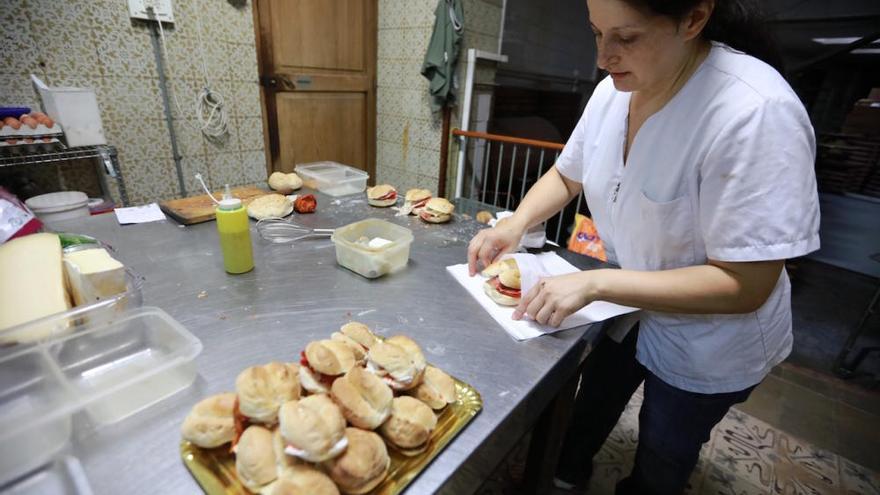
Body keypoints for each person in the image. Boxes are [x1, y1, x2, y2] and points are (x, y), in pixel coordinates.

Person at [466, 0, 820, 493]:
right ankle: (565, 470)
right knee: (595, 395)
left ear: (693, 18)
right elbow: (568, 174)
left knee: (664, 445)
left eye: (626, 38)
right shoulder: (613, 93)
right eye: (596, 34)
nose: (603, 57)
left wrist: (595, 281)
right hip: (624, 300)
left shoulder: (756, 113)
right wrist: (517, 223)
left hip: (709, 337)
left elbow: (747, 284)